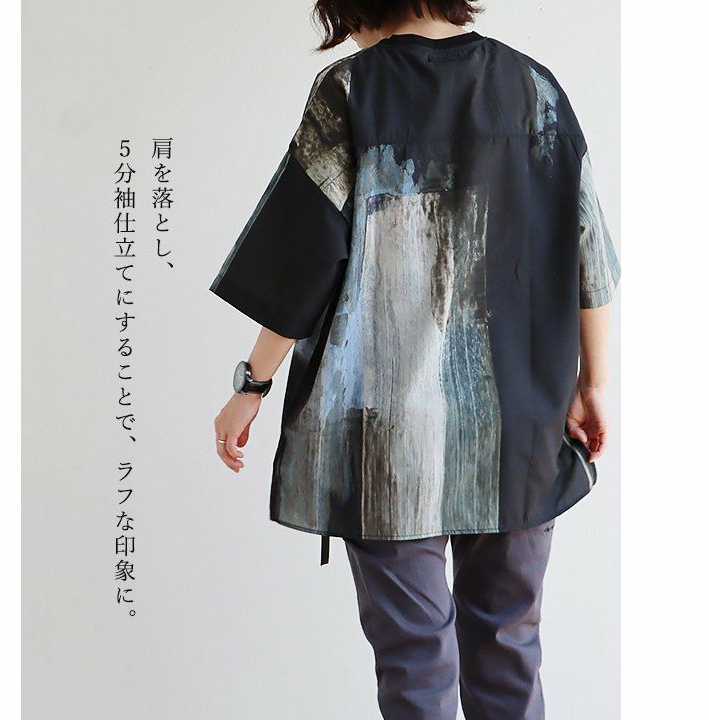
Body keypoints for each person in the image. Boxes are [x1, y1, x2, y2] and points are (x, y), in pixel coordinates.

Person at [209, 1, 620, 718]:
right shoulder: (534, 88)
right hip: (518, 426)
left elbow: (303, 261)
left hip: (383, 438)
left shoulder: (352, 90)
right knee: (509, 643)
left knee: (414, 660)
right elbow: (589, 257)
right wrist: (595, 383)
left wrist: (253, 384)